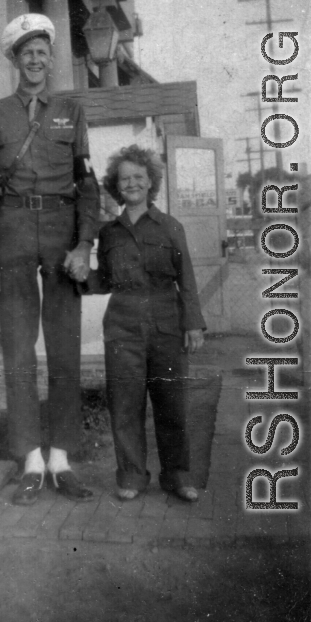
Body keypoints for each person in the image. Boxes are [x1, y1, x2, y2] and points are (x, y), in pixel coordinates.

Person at [0, 14, 100, 505]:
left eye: (42, 51)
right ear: (14, 59)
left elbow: (86, 181)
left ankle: (62, 458)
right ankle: (29, 459)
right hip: (14, 236)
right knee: (19, 353)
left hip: (63, 235)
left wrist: (85, 243)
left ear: (51, 56)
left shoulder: (71, 110)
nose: (34, 59)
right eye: (26, 52)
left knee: (64, 351)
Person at [72, 145, 205, 502]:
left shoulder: (170, 226)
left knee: (171, 403)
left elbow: (187, 279)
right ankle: (132, 475)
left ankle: (177, 476)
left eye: (138, 177)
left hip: (166, 323)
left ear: (150, 183)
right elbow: (104, 281)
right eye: (124, 178)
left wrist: (193, 324)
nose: (131, 183)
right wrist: (80, 275)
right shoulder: (110, 233)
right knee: (125, 405)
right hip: (123, 327)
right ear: (116, 186)